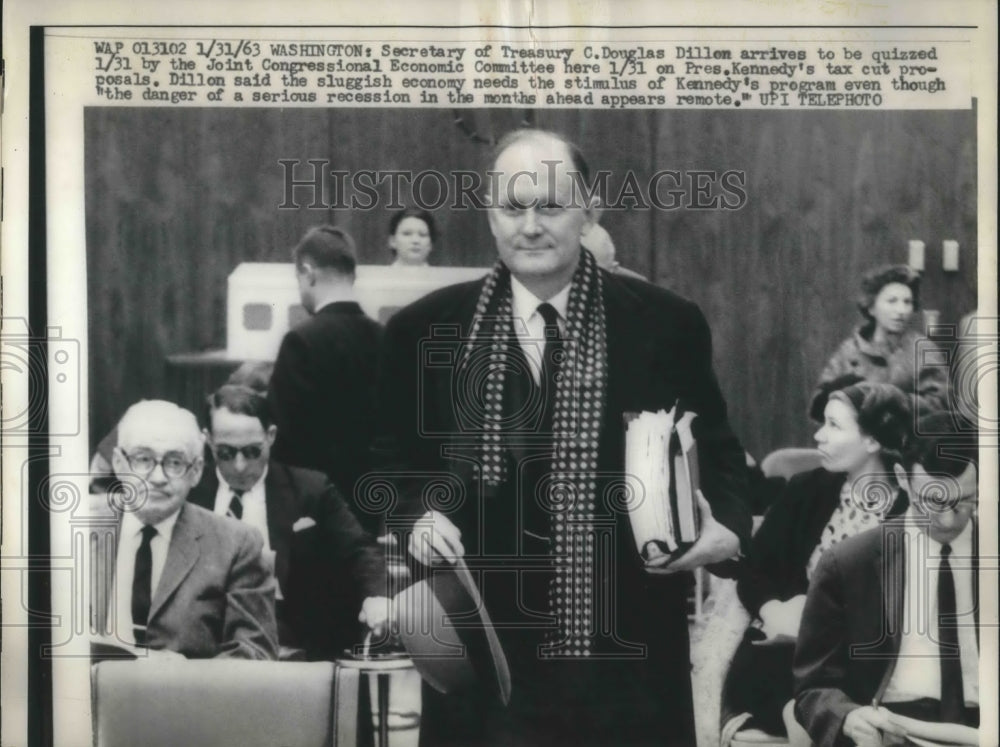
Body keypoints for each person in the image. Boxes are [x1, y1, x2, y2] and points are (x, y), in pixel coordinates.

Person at [373, 128, 751, 747]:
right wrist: (415, 516)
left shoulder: (664, 324)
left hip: (625, 656)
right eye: (512, 208)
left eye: (550, 205)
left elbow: (721, 453)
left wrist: (725, 531)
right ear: (490, 218)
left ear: (589, 210)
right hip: (481, 654)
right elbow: (389, 464)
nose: (531, 226)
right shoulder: (421, 330)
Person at [721, 381, 912, 743]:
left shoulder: (908, 510)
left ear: (872, 441)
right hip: (787, 656)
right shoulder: (807, 490)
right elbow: (754, 568)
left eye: (834, 426)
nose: (819, 436)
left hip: (864, 664)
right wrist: (772, 608)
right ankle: (795, 712)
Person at [794, 410, 980, 746]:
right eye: (931, 501)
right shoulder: (850, 563)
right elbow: (813, 686)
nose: (949, 521)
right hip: (892, 728)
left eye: (965, 501)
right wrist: (848, 716)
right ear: (903, 479)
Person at [190, 384, 389, 659]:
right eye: (225, 452)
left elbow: (360, 550)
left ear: (270, 436)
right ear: (208, 440)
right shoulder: (189, 493)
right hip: (205, 646)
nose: (239, 466)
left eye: (251, 452)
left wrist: (377, 597)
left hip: (293, 647)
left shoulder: (311, 490)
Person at [95, 399, 278, 660]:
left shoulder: (237, 544)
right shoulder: (73, 529)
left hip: (187, 699)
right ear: (119, 463)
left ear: (196, 472)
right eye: (143, 459)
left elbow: (256, 655)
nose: (157, 478)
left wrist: (183, 677)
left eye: (175, 462)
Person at [268, 224, 383, 533]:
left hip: (315, 514)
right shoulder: (385, 338)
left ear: (308, 272)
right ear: (352, 273)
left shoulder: (300, 342)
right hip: (373, 510)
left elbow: (284, 440)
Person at [811, 264, 949, 419]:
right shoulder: (850, 349)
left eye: (907, 302)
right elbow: (819, 406)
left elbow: (940, 406)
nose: (901, 310)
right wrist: (840, 391)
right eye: (892, 301)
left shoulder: (923, 350)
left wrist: (897, 400)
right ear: (871, 308)